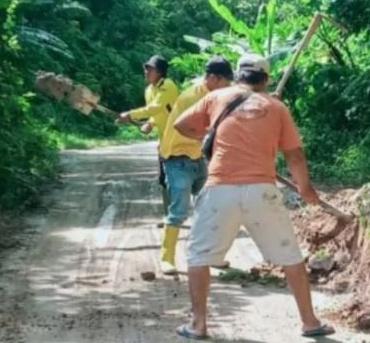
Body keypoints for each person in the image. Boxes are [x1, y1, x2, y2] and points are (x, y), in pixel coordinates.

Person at [173, 53, 334, 340]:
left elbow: (181, 124)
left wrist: (210, 134)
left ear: (238, 76)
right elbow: (295, 155)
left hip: (220, 190)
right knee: (291, 257)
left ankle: (198, 325)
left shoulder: (217, 97)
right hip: (262, 192)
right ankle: (310, 322)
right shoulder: (277, 107)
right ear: (266, 79)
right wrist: (306, 189)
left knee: (198, 256)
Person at [157, 56, 234, 276]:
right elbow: (184, 127)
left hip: (197, 157)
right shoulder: (193, 97)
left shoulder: (215, 95)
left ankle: (211, 255)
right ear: (213, 78)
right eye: (225, 81)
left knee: (210, 207)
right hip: (177, 157)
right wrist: (209, 137)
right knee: (179, 210)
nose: (228, 86)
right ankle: (166, 258)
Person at [117, 55, 179, 216]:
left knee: (180, 180)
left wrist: (130, 115)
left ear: (160, 72)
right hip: (164, 142)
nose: (146, 72)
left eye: (150, 69)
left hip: (179, 139)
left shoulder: (168, 86)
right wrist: (151, 123)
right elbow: (156, 113)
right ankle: (170, 217)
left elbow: (155, 107)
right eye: (146, 68)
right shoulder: (149, 90)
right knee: (164, 179)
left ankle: (181, 215)